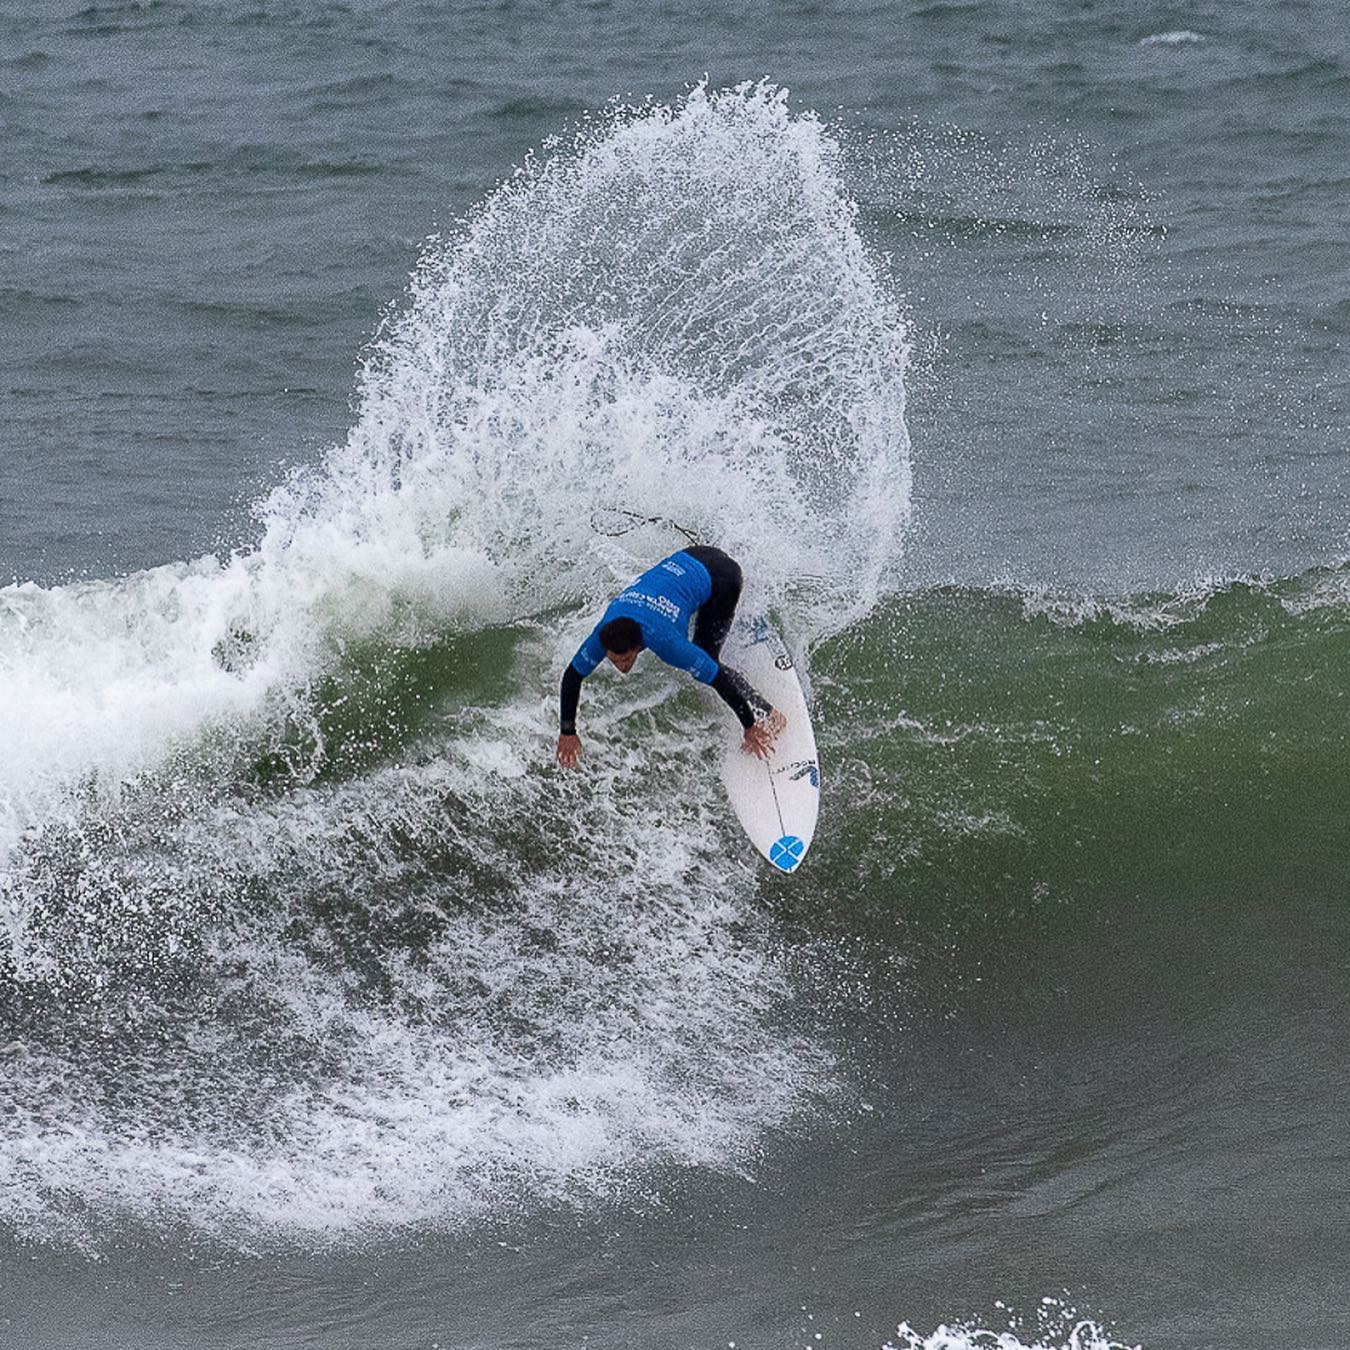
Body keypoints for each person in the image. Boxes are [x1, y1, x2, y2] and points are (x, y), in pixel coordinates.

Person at [556, 545, 784, 767]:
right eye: (614, 660)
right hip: (693, 555)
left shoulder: (666, 642)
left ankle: (769, 711)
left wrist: (749, 726)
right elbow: (573, 675)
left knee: (708, 658)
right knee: (691, 617)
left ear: (639, 645)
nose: (621, 667)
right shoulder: (603, 635)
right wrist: (567, 731)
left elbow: (717, 678)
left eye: (625, 660)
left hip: (723, 578)